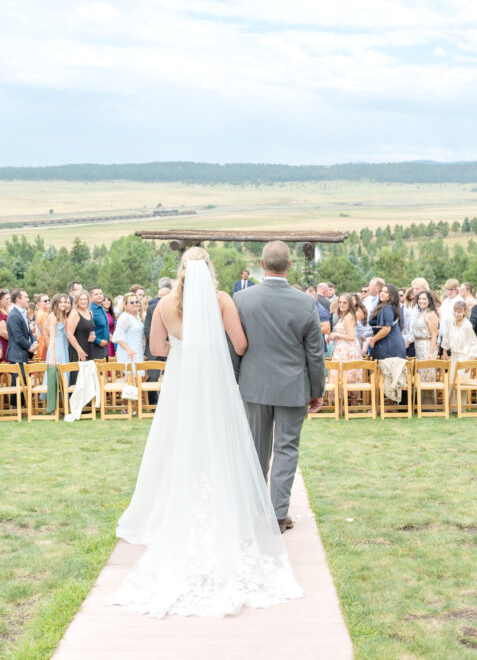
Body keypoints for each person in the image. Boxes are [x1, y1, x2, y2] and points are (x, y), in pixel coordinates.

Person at [111, 246, 303, 618]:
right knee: (221, 440)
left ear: (181, 270)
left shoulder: (165, 305)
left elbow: (155, 347)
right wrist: (212, 348)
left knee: (177, 440)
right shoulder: (221, 300)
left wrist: (184, 349)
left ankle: (171, 504)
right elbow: (241, 343)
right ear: (209, 269)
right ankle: (228, 506)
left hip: (181, 380)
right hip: (214, 382)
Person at [232, 241, 324, 533]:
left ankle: (255, 511)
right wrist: (317, 390)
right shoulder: (306, 302)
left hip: (254, 386)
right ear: (290, 266)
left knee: (257, 449)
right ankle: (278, 514)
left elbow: (234, 348)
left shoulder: (242, 299)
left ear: (262, 263)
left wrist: (236, 381)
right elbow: (315, 353)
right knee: (286, 449)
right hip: (292, 387)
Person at [326, 293, 362, 395]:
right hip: (344, 347)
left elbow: (351, 337)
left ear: (350, 304)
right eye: (340, 302)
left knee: (345, 374)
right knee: (346, 374)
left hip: (347, 349)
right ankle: (348, 403)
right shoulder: (345, 315)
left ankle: (346, 404)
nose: (341, 304)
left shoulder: (347, 317)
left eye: (344, 302)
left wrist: (336, 334)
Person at [367, 283, 406, 360]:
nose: (382, 293)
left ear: (392, 295)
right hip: (389, 343)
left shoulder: (387, 308)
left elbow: (386, 329)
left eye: (386, 292)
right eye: (381, 291)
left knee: (385, 370)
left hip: (388, 345)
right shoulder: (388, 307)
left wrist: (373, 340)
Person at [66, 289, 96, 388]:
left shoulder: (90, 312)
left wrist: (93, 335)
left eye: (85, 299)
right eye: (81, 299)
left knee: (88, 377)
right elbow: (69, 334)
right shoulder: (75, 313)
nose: (83, 301)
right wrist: (79, 350)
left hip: (89, 348)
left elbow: (90, 328)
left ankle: (89, 402)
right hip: (77, 350)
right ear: (76, 301)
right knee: (78, 377)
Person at [112, 291, 145, 376]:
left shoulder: (137, 316)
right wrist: (128, 350)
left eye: (137, 302)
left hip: (138, 350)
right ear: (126, 304)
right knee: (132, 378)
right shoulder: (125, 317)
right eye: (132, 302)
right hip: (129, 352)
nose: (135, 304)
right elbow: (118, 337)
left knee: (139, 376)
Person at [44, 293, 71, 391]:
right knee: (57, 372)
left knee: (64, 371)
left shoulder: (62, 315)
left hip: (63, 346)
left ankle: (63, 399)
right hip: (56, 347)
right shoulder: (53, 316)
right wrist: (52, 355)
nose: (63, 304)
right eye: (61, 302)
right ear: (56, 303)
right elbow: (51, 337)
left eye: (65, 302)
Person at [5, 289, 38, 367]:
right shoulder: (13, 315)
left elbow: (28, 330)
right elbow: (18, 337)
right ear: (17, 299)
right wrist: (30, 346)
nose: (28, 299)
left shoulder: (22, 312)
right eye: (25, 297)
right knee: (19, 379)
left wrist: (35, 342)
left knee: (25, 379)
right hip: (17, 355)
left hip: (24, 354)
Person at [412, 290, 440, 381]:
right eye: (419, 299)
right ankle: (421, 395)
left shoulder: (431, 314)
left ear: (429, 301)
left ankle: (428, 395)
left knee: (427, 373)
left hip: (427, 346)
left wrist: (431, 353)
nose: (421, 301)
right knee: (420, 373)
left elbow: (434, 334)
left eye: (424, 299)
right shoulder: (420, 313)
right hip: (418, 345)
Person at [437, 279, 463, 353]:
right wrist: (439, 340)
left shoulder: (459, 301)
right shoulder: (445, 302)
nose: (449, 292)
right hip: (443, 337)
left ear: (457, 290)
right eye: (447, 289)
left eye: (452, 290)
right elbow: (442, 322)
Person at [88, 287, 110, 361]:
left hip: (105, 347)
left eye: (100, 293)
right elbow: (88, 329)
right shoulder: (90, 310)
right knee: (98, 371)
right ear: (91, 297)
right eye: (96, 294)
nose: (99, 295)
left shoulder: (102, 308)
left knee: (105, 371)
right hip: (95, 347)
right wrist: (98, 341)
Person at [34, 293, 51, 364]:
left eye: (49, 300)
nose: (48, 302)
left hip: (42, 341)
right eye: (45, 301)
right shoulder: (43, 314)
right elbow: (47, 332)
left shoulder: (40, 312)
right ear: (39, 303)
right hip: (45, 342)